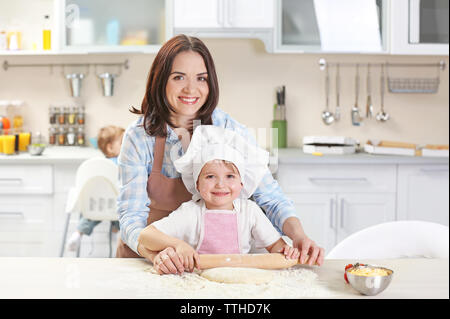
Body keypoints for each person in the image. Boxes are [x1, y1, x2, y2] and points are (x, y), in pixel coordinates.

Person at [117, 34, 325, 271]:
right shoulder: (138, 138)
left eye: (201, 78)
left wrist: (298, 236)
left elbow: (270, 197)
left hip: (213, 265)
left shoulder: (229, 130)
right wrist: (157, 254)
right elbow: (131, 218)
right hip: (147, 261)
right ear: (160, 80)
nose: (191, 88)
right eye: (178, 77)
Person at [138, 125, 300, 274]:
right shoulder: (190, 212)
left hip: (240, 281)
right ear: (197, 184)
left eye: (230, 176)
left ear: (242, 183)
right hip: (199, 282)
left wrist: (288, 252)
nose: (220, 184)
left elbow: (276, 247)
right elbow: (146, 236)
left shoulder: (250, 212)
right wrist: (178, 245)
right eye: (210, 176)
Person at [66, 125, 124, 252]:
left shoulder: (98, 165)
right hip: (116, 208)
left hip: (96, 205)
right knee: (123, 215)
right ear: (110, 147)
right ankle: (115, 234)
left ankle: (78, 234)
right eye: (122, 142)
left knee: (88, 217)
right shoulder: (122, 163)